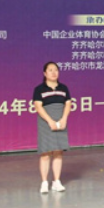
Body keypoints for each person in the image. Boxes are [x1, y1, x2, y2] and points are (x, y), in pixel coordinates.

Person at [33, 61, 72, 194]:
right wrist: (50, 121)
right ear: (45, 73)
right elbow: (38, 107)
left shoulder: (64, 88)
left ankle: (56, 181)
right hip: (46, 122)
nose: (54, 72)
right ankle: (44, 182)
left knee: (58, 151)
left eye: (56, 70)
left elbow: (68, 104)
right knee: (45, 153)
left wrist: (64, 119)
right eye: (50, 70)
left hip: (61, 120)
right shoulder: (39, 89)